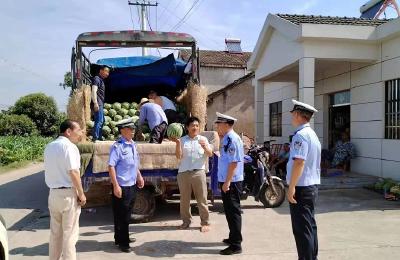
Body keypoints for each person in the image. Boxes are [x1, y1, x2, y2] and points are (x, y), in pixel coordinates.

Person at [44, 120, 86, 260]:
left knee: (55, 233)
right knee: (69, 235)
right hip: (67, 195)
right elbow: (73, 172)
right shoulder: (69, 147)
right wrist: (81, 193)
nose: (81, 133)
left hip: (53, 195)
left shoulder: (49, 146)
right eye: (78, 130)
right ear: (68, 131)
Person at [286, 100, 321, 260]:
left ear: (299, 115)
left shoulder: (300, 135)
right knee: (309, 227)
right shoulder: (312, 134)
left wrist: (291, 187)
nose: (292, 116)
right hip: (311, 186)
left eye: (293, 114)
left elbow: (299, 162)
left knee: (302, 230)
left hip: (301, 188)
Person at [108, 118, 145, 253]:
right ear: (123, 130)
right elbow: (111, 166)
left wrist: (139, 176)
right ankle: (123, 243)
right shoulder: (117, 146)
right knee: (122, 215)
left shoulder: (133, 144)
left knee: (127, 214)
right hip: (122, 186)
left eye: (133, 129)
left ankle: (121, 237)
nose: (133, 131)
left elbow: (135, 164)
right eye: (130, 129)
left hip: (132, 184)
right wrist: (116, 186)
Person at [172, 116, 213, 232]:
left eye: (196, 125)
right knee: (184, 200)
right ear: (187, 127)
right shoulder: (182, 140)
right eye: (192, 125)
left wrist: (205, 146)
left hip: (198, 172)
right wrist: (177, 144)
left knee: (202, 199)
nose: (195, 127)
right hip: (184, 173)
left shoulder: (203, 139)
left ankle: (205, 222)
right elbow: (178, 156)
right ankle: (186, 221)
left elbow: (210, 154)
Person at [214, 112, 244, 255]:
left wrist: (227, 182)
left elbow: (233, 162)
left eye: (219, 124)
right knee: (229, 211)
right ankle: (233, 237)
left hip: (231, 181)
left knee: (233, 212)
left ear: (226, 124)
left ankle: (236, 245)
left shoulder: (232, 139)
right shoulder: (226, 138)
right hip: (227, 180)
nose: (217, 126)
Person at [91, 65, 110, 141]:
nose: (107, 73)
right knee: (99, 120)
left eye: (108, 72)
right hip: (98, 102)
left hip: (100, 102)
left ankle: (99, 137)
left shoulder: (101, 80)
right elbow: (93, 91)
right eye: (106, 71)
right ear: (101, 71)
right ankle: (95, 138)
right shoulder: (96, 79)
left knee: (102, 121)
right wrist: (95, 103)